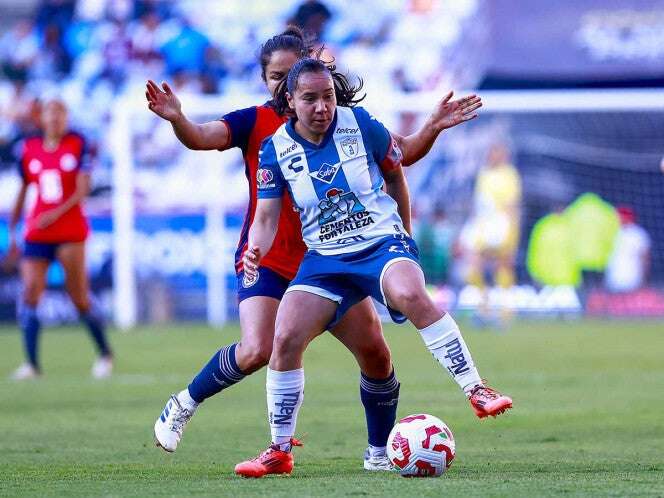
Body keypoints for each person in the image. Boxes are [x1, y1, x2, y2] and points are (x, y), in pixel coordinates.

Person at [147, 27, 483, 471]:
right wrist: (177, 119)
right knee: (257, 349)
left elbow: (398, 156)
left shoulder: (335, 115)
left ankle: (378, 453)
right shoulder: (255, 122)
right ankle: (185, 402)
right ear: (267, 80)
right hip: (269, 257)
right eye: (274, 76)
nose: (282, 84)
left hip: (333, 256)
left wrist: (432, 128)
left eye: (290, 73)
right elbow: (202, 136)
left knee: (377, 354)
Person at [234, 58, 512, 478]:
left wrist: (432, 127)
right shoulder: (275, 149)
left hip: (380, 241)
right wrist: (256, 249)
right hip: (325, 259)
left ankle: (476, 388)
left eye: (327, 97)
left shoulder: (359, 124)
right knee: (286, 336)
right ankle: (279, 450)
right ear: (290, 100)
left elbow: (403, 157)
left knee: (411, 295)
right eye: (310, 99)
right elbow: (267, 217)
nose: (321, 107)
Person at [8, 98, 113, 380]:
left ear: (66, 117)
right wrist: (14, 229)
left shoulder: (79, 143)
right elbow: (23, 188)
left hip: (69, 232)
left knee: (78, 296)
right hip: (37, 231)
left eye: (60, 113)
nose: (54, 118)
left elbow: (83, 190)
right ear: (41, 117)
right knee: (30, 291)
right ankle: (32, 364)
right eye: (49, 113)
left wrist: (53, 216)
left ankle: (104, 353)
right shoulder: (29, 148)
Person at [461, 142, 522, 325]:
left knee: (502, 265)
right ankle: (484, 308)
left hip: (501, 224)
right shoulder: (483, 173)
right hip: (482, 224)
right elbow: (479, 202)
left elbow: (513, 205)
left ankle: (504, 312)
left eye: (496, 152)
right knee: (472, 265)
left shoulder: (510, 175)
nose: (492, 155)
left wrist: (512, 231)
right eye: (491, 152)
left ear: (503, 154)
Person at [605, 206, 651, 293]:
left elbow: (645, 258)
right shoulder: (611, 232)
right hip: (613, 279)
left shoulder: (638, 234)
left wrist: (644, 278)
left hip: (632, 279)